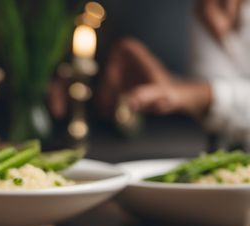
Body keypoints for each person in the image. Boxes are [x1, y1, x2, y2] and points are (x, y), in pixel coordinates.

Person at [95, 0, 250, 147]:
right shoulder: (205, 7)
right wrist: (166, 85)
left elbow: (208, 96)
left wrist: (192, 95)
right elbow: (219, 110)